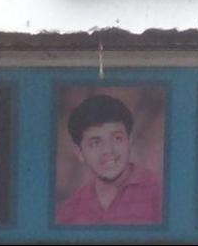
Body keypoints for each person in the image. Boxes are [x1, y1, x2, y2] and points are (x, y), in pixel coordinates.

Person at [54, 93, 165, 226]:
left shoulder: (159, 193)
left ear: (129, 141)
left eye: (117, 138)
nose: (108, 150)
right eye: (95, 142)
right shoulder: (69, 212)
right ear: (80, 153)